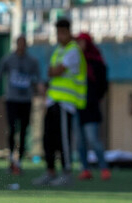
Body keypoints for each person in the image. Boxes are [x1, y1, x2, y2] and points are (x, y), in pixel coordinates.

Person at [33, 18, 87, 187]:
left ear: (70, 32)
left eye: (63, 32)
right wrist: (53, 73)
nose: (59, 35)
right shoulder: (59, 50)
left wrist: (54, 72)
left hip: (66, 103)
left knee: (63, 139)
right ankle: (50, 171)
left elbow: (55, 71)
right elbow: (51, 72)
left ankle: (67, 173)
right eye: (57, 32)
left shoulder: (73, 51)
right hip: (53, 101)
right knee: (48, 139)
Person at [0, 35, 41, 175]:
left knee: (24, 131)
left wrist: (39, 87)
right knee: (12, 129)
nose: (21, 46)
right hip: (12, 99)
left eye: (23, 44)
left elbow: (38, 78)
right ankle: (11, 159)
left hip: (25, 100)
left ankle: (20, 161)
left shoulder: (32, 61)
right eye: (19, 43)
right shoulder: (8, 59)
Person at [75, 32, 111, 181]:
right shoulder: (75, 61)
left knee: (93, 139)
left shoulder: (96, 62)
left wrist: (95, 98)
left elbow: (103, 84)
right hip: (77, 105)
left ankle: (104, 168)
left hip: (91, 106)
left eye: (82, 42)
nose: (80, 45)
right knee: (79, 141)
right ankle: (85, 169)